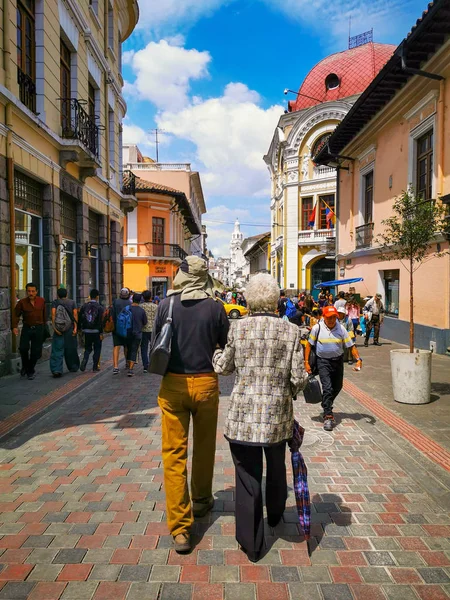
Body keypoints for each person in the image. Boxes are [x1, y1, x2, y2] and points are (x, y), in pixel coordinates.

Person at [213, 273, 308, 563]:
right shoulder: (291, 331)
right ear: (276, 298)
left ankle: (252, 544)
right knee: (276, 465)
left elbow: (224, 368)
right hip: (277, 415)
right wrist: (290, 388)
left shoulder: (237, 329)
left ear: (250, 299)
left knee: (247, 475)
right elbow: (298, 378)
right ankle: (276, 516)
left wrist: (216, 353)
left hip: (243, 416)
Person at [153, 256, 229, 554]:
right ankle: (201, 500)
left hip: (173, 384)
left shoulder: (166, 305)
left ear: (182, 276)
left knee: (173, 454)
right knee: (205, 445)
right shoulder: (215, 307)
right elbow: (224, 344)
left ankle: (181, 529)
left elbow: (156, 341)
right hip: (206, 383)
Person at [304, 306, 362, 432]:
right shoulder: (317, 328)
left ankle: (326, 402)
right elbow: (309, 345)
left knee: (338, 386)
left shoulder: (341, 329)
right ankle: (328, 416)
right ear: (324, 316)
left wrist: (358, 359)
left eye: (334, 317)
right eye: (329, 317)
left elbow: (351, 345)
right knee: (328, 388)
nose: (331, 320)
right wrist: (306, 362)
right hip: (322, 361)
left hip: (338, 361)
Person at [12, 282, 46, 380]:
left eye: (33, 291)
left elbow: (44, 315)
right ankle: (26, 366)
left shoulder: (41, 301)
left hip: (39, 328)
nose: (31, 293)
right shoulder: (22, 302)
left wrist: (44, 328)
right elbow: (16, 314)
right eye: (29, 291)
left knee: (36, 352)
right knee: (23, 348)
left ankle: (30, 370)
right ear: (26, 292)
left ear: (36, 292)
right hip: (27, 327)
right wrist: (15, 326)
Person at [50, 287, 79, 377]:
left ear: (58, 295)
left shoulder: (55, 302)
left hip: (58, 328)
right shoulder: (72, 302)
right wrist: (75, 328)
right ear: (66, 294)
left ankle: (56, 369)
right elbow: (75, 315)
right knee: (71, 349)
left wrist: (55, 328)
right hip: (69, 328)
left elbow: (53, 314)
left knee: (57, 350)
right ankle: (73, 366)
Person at [79, 289, 104, 372]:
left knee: (87, 348)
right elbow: (101, 321)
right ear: (97, 297)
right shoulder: (100, 307)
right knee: (97, 348)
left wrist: (80, 329)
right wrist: (101, 332)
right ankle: (95, 366)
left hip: (87, 330)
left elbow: (80, 318)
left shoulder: (84, 306)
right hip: (96, 331)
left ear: (90, 296)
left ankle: (85, 359)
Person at [125, 292, 147, 377]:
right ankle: (130, 369)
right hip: (137, 333)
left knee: (128, 349)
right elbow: (145, 322)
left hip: (127, 332)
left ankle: (127, 363)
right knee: (134, 350)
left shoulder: (127, 308)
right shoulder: (141, 310)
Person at [112, 288, 132, 374]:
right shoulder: (130, 303)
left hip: (117, 327)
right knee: (126, 346)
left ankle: (116, 366)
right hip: (127, 328)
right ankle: (127, 362)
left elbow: (112, 314)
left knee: (116, 346)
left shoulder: (115, 302)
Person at [141, 290, 158, 373]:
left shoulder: (141, 306)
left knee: (144, 348)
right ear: (151, 297)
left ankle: (145, 366)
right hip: (153, 329)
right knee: (153, 347)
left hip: (143, 329)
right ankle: (153, 364)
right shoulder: (156, 306)